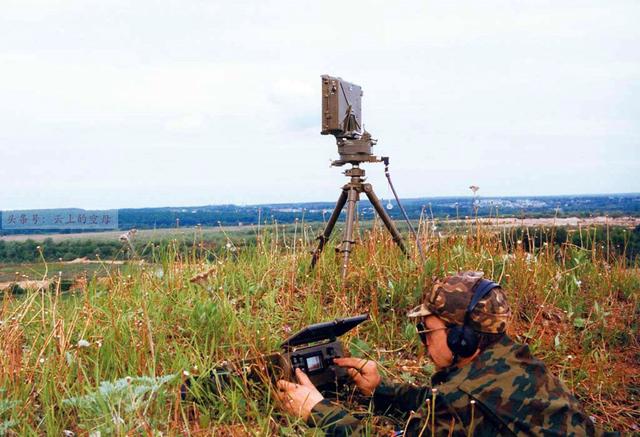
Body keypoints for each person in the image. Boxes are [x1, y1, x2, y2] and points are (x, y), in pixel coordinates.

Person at [277, 271, 601, 436]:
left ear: (462, 338)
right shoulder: (516, 359)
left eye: (428, 330)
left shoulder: (458, 398)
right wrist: (380, 390)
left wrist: (317, 410)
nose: (424, 340)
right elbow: (443, 405)